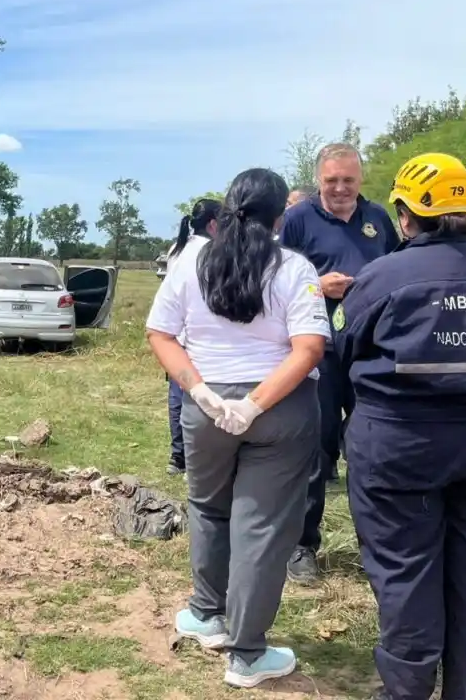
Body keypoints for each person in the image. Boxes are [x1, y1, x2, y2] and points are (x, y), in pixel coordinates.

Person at [332, 153, 466, 700]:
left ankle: (406, 688)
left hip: (400, 450)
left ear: (405, 215)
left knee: (406, 572)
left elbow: (345, 349)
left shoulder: (382, 277)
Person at [147, 169, 329, 689]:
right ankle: (247, 653)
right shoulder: (294, 266)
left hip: (204, 406)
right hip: (279, 407)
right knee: (262, 526)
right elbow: (309, 349)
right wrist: (252, 404)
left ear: (227, 209)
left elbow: (160, 333)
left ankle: (207, 614)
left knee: (207, 506)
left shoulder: (190, 262)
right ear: (280, 217)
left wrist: (199, 391)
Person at [279, 142, 397, 584]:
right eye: (332, 181)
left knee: (376, 452)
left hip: (372, 351)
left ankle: (380, 548)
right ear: (319, 181)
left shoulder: (379, 219)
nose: (341, 188)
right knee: (316, 449)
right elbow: (274, 281)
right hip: (319, 352)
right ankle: (302, 546)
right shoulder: (297, 220)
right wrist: (315, 284)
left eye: (349, 180)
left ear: (360, 179)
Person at [162, 198, 221, 476]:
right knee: (200, 396)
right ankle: (196, 458)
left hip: (175, 336)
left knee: (177, 394)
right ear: (212, 224)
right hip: (199, 336)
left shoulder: (177, 248)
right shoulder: (212, 251)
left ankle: (178, 457)